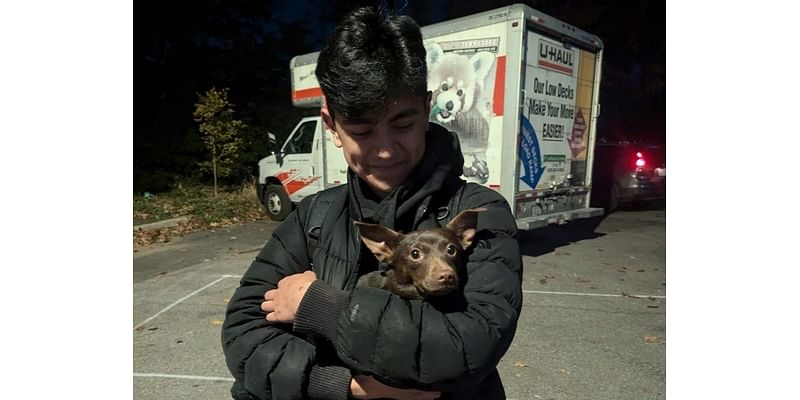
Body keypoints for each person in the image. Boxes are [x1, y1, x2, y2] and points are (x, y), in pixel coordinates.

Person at [222, 6, 522, 400]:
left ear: (427, 108)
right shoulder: (314, 215)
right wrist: (343, 386)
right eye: (362, 130)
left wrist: (321, 306)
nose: (384, 150)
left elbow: (467, 347)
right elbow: (244, 333)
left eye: (402, 124)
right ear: (332, 127)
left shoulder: (480, 211)